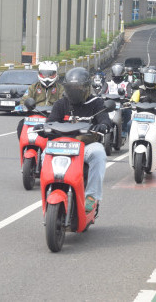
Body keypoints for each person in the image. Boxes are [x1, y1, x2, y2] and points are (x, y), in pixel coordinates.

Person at [43, 67, 111, 212]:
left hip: (86, 146)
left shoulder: (96, 102)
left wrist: (103, 125)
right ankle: (50, 187)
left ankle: (92, 196)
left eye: (78, 87)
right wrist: (44, 128)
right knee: (44, 154)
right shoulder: (61, 104)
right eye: (71, 87)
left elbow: (104, 118)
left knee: (99, 153)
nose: (75, 90)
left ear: (87, 87)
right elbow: (51, 121)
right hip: (62, 145)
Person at [127, 67, 156, 157]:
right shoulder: (140, 91)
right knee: (129, 124)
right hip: (140, 117)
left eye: (154, 78)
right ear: (144, 77)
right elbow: (132, 100)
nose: (151, 80)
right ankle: (131, 143)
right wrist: (128, 104)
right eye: (149, 77)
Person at [16, 61, 64, 138]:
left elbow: (64, 102)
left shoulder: (60, 88)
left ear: (55, 74)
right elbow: (25, 100)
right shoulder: (33, 87)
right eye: (44, 74)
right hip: (35, 116)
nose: (47, 77)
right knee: (21, 125)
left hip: (52, 118)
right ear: (39, 74)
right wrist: (22, 107)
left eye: (51, 75)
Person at [106, 63, 131, 138]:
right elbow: (102, 92)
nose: (117, 74)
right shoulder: (108, 83)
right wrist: (100, 96)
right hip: (109, 104)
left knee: (128, 111)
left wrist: (126, 97)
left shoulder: (126, 84)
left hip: (122, 104)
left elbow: (129, 94)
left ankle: (124, 130)